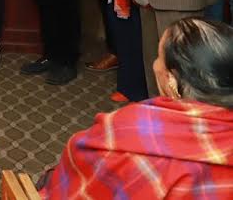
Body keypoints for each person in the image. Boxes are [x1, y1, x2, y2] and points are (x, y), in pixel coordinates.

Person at [40, 18, 233, 199]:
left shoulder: (132, 129)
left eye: (158, 57)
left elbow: (79, 169)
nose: (155, 64)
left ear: (171, 80)